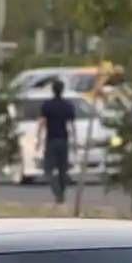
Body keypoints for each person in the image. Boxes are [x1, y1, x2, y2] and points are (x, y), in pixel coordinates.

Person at [38, 77, 76, 206]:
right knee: (62, 169)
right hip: (64, 139)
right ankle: (61, 194)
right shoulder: (67, 105)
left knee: (48, 169)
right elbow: (71, 125)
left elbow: (42, 123)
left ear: (52, 90)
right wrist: (74, 141)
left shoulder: (47, 105)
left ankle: (58, 193)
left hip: (51, 139)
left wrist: (38, 138)